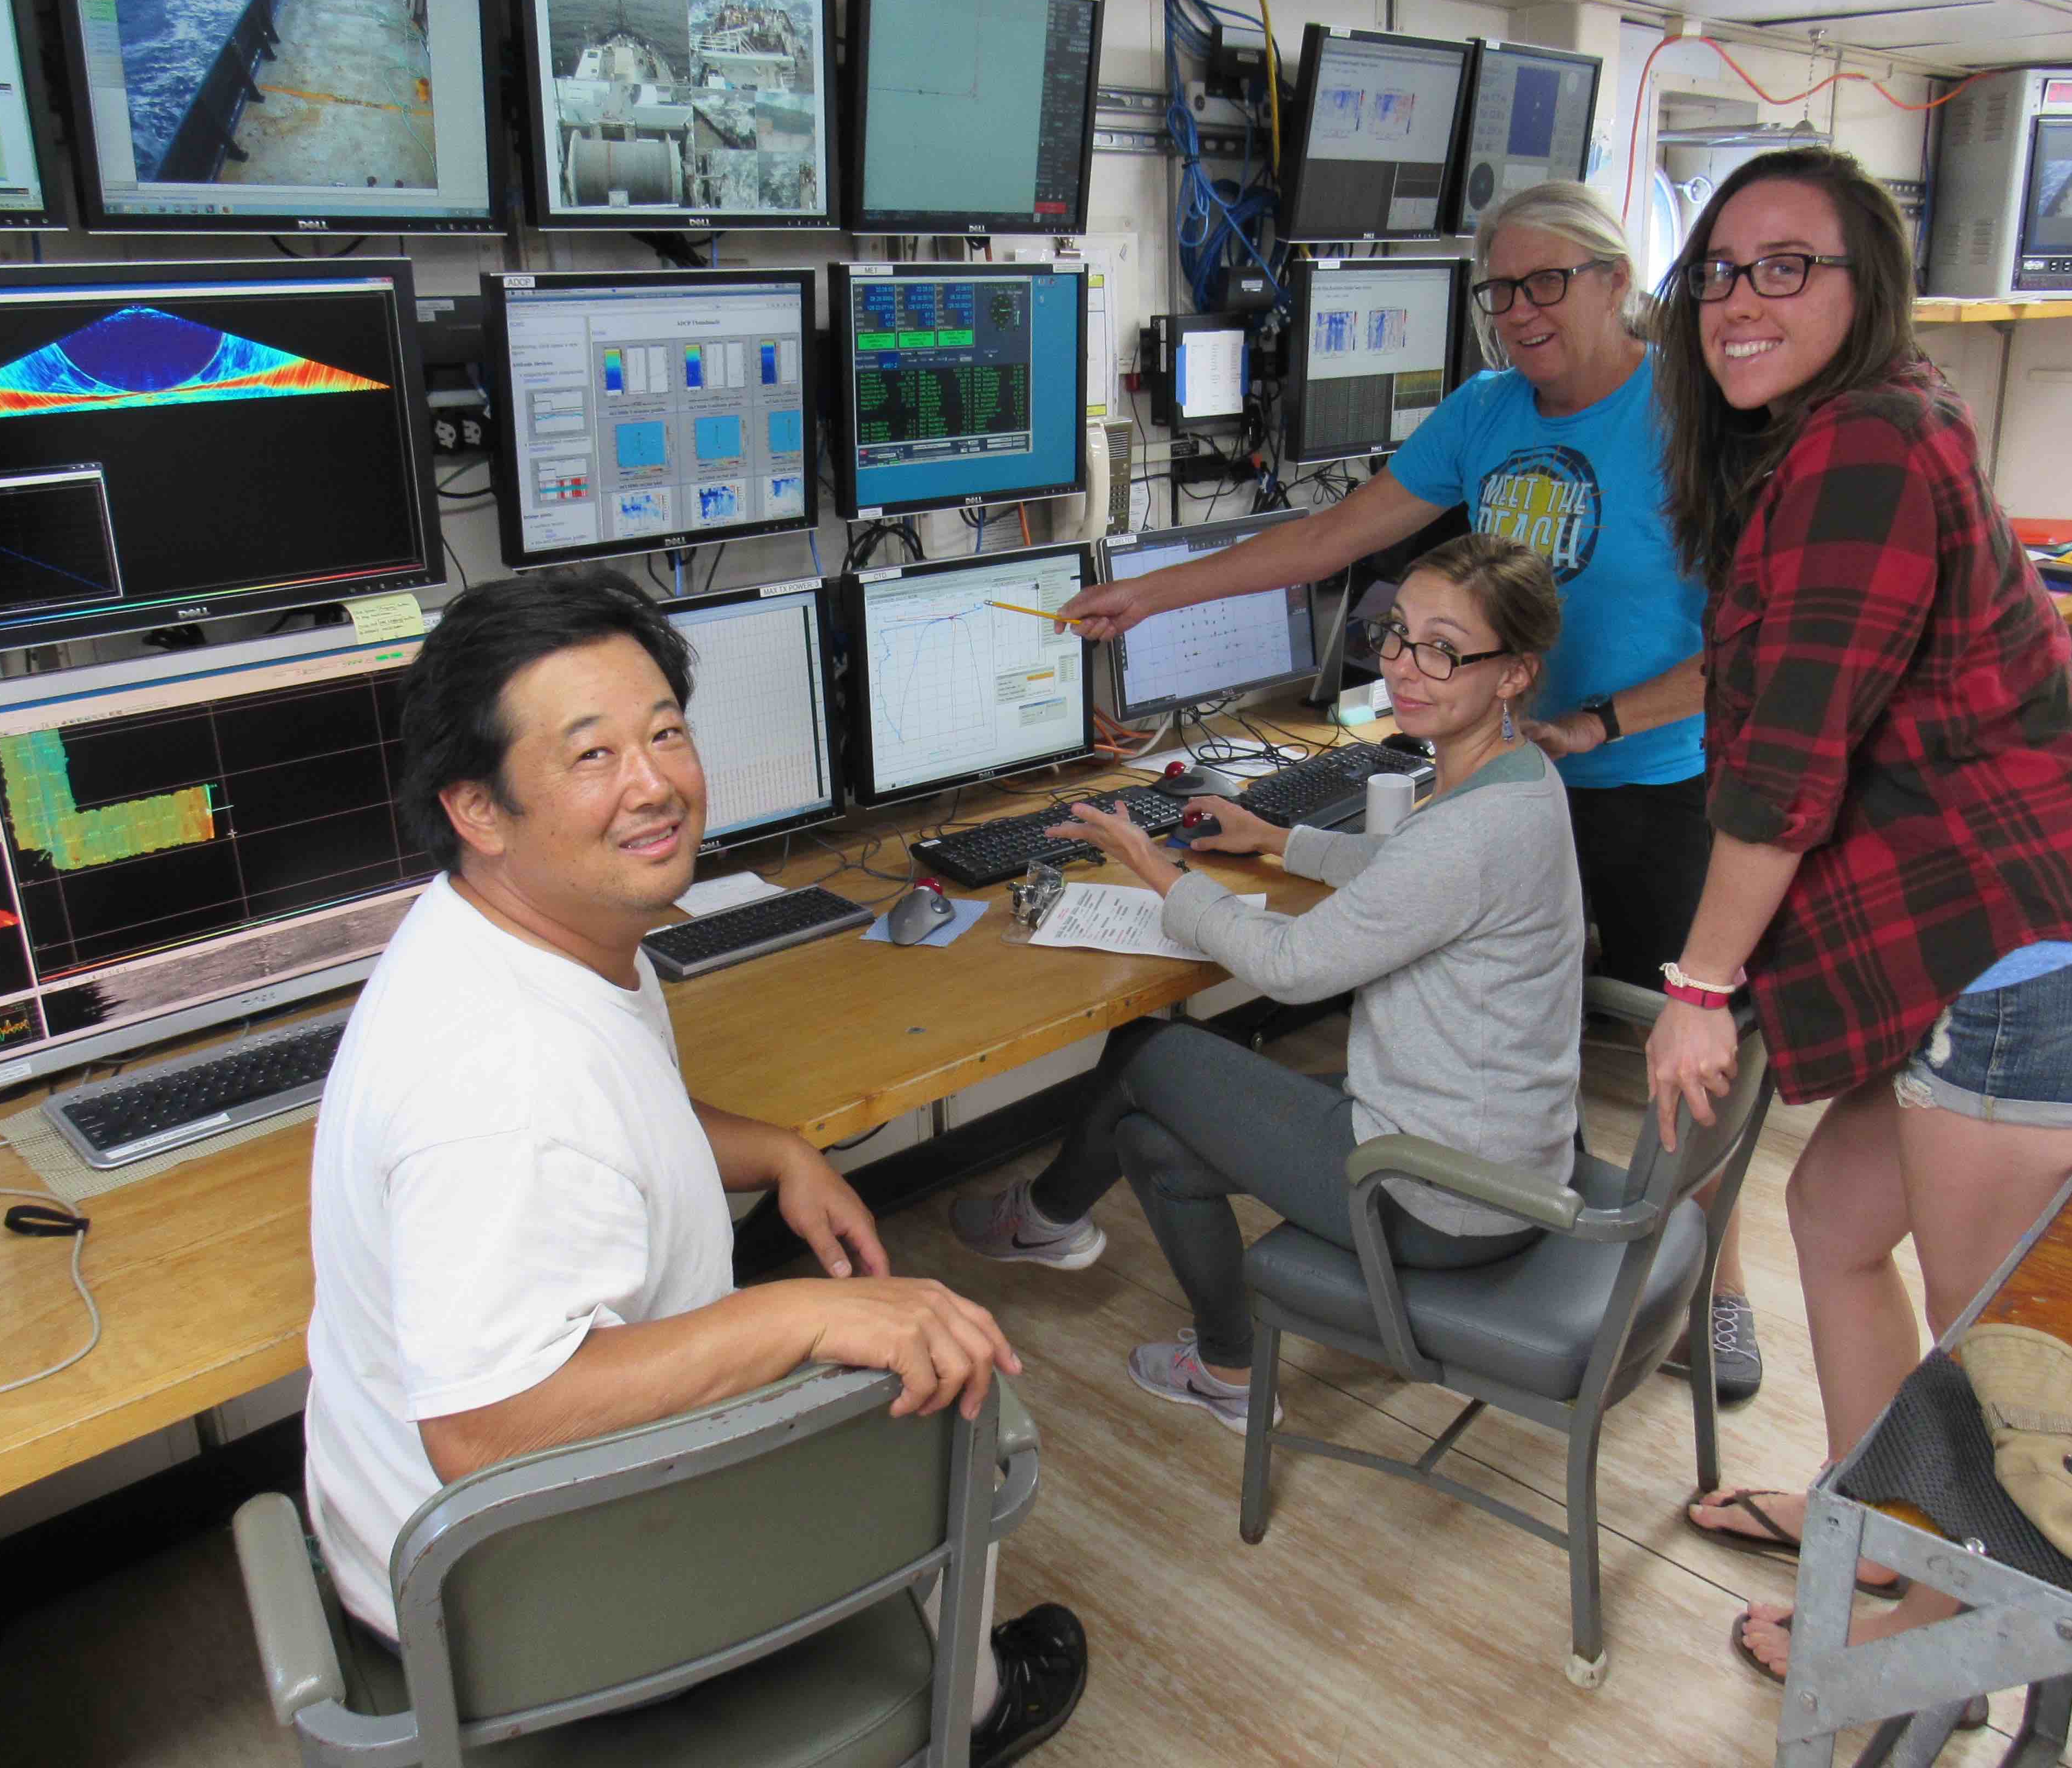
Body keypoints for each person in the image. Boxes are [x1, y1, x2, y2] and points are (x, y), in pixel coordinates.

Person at [302, 571, 1086, 1766]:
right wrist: (806, 1314)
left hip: (436, 1537)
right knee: (945, 1415)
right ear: (477, 808)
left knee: (866, 1348)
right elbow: (487, 1427)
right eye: (591, 756)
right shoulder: (499, 1084)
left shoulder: (522, 933)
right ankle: (970, 1715)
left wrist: (775, 1151)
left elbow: (624, 1114)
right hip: (508, 1607)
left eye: (664, 732)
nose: (654, 783)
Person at [1641, 147, 2072, 1703]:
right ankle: (1881, 1531)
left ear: (1868, 284)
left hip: (2055, 969)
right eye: (1720, 270)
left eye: (1788, 267)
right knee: (1835, 1227)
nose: (1742, 299)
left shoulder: (1867, 446)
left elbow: (1788, 765)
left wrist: (1699, 987)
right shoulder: (1859, 427)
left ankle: (1935, 1651)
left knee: (1992, 1373)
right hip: (2028, 954)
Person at [1057, 183, 1763, 1403]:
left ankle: (1714, 1289)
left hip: (1650, 775)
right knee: (1505, 1011)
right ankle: (1496, 1205)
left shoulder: (1690, 416)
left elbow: (1752, 643)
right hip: (1519, 761)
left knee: (1681, 1051)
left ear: (1615, 281)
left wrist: (1600, 722)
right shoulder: (1487, 411)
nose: (1521, 311)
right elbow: (1331, 539)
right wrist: (1152, 595)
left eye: (1548, 283)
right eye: (1502, 290)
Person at [953, 536, 1580, 1427]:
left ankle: (1047, 1218)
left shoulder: (1468, 833)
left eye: (1444, 650)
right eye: (1399, 635)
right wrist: (1278, 839)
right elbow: (1408, 874)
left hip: (1436, 1193)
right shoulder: (1521, 779)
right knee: (1152, 1141)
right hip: (1495, 1158)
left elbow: (1293, 969)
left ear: (1515, 674)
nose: (1405, 666)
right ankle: (1226, 1368)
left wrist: (1154, 866)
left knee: (1150, 1052)